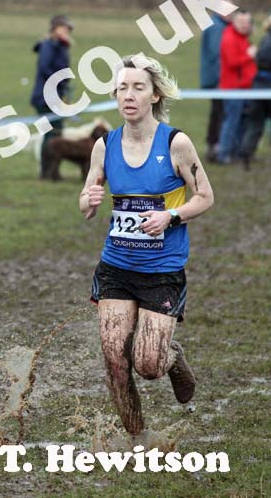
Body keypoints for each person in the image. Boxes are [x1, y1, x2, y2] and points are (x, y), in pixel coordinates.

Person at [80, 55, 214, 446]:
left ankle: (173, 358)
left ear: (154, 95)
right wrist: (88, 198)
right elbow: (87, 207)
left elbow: (205, 197)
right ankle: (136, 438)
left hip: (162, 271)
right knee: (114, 358)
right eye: (122, 88)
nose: (129, 95)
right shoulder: (104, 145)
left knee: (148, 364)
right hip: (116, 267)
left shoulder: (176, 143)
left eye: (137, 87)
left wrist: (171, 216)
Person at [31, 14, 73, 180]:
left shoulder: (61, 46)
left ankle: (52, 171)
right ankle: (46, 172)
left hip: (56, 95)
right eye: (63, 28)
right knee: (50, 134)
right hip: (45, 97)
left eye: (68, 29)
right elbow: (45, 67)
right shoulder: (48, 45)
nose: (66, 32)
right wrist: (60, 81)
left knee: (56, 134)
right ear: (54, 29)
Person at [217, 9, 257, 164]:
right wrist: (250, 55)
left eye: (247, 22)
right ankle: (224, 154)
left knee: (241, 121)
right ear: (234, 22)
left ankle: (237, 152)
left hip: (244, 87)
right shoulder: (229, 38)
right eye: (241, 22)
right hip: (232, 88)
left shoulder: (242, 37)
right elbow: (233, 61)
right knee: (232, 121)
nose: (244, 25)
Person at [238, 12, 271, 169]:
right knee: (255, 124)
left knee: (255, 124)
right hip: (265, 87)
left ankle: (246, 153)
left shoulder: (264, 39)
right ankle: (246, 153)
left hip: (258, 87)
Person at [199, 8, 230, 162]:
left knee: (218, 111)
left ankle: (215, 145)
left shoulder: (219, 25)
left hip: (215, 78)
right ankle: (214, 147)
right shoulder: (217, 27)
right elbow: (218, 54)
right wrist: (221, 79)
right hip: (217, 79)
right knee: (219, 111)